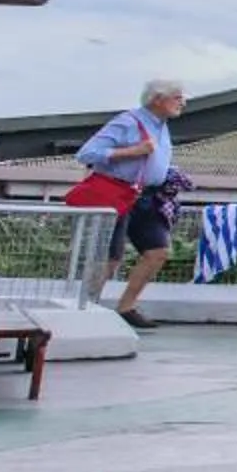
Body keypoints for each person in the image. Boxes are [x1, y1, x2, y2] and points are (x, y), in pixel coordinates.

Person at [73, 79, 187, 329]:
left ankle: (126, 307)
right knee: (110, 257)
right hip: (118, 193)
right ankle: (86, 307)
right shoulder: (127, 122)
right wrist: (131, 152)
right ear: (158, 99)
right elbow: (86, 154)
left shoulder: (162, 126)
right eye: (177, 98)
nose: (183, 103)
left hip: (147, 196)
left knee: (157, 252)